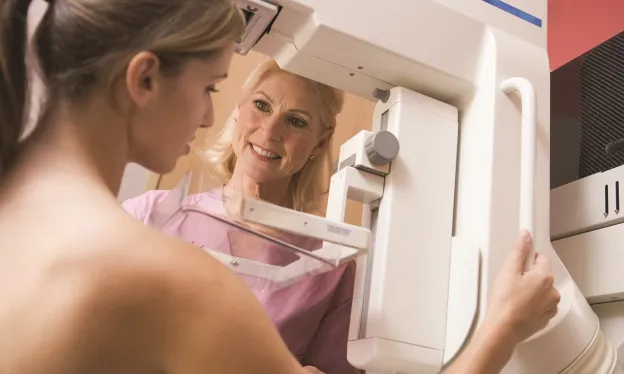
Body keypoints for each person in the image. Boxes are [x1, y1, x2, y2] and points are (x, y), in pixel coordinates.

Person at [0, 0, 560, 373]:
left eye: (295, 120)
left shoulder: (17, 213)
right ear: (145, 79)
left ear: (318, 143)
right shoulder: (171, 276)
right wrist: (504, 326)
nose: (204, 118)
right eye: (210, 87)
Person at [122, 57, 360, 373]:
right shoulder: (149, 215)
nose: (270, 130)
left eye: (296, 121)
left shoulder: (332, 268)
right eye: (261, 106)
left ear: (320, 140)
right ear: (238, 109)